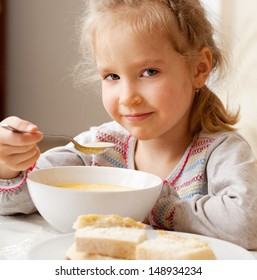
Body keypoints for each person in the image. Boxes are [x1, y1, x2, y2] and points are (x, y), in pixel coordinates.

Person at [0, 0, 257, 250]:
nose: (127, 97)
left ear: (199, 69)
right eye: (112, 76)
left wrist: (148, 204)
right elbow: (19, 197)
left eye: (149, 72)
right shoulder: (98, 148)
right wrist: (8, 166)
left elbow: (248, 223)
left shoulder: (222, 152)